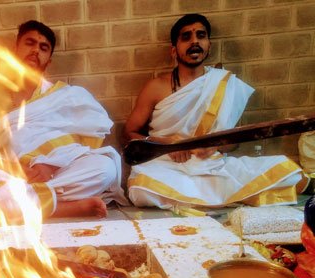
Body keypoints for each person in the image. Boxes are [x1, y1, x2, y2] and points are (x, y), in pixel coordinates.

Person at [122, 13, 307, 211]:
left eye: (201, 35)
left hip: (212, 165)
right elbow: (130, 133)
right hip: (166, 164)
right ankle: (220, 198)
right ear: (174, 50)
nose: (194, 41)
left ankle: (194, 199)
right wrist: (168, 145)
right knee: (141, 189)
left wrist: (216, 145)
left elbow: (234, 142)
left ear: (209, 45)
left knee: (290, 173)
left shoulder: (224, 83)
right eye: (186, 37)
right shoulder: (155, 87)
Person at [0, 20, 126, 219]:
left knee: (105, 169)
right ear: (15, 49)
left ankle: (26, 204)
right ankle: (65, 207)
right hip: (17, 173)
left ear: (49, 60)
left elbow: (84, 144)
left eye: (43, 48)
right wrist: (12, 168)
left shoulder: (67, 96)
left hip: (61, 169)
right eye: (30, 43)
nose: (36, 50)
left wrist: (50, 164)